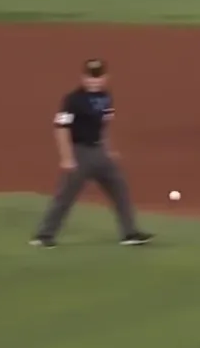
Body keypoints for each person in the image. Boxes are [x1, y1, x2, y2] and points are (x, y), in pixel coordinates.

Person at [30, 59, 153, 248]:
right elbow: (61, 128)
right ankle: (44, 236)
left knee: (120, 188)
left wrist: (108, 149)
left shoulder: (106, 97)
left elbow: (103, 125)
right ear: (83, 77)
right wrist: (67, 158)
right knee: (65, 196)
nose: (94, 80)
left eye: (98, 76)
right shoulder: (73, 99)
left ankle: (130, 233)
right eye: (90, 76)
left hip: (100, 152)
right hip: (80, 153)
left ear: (105, 78)